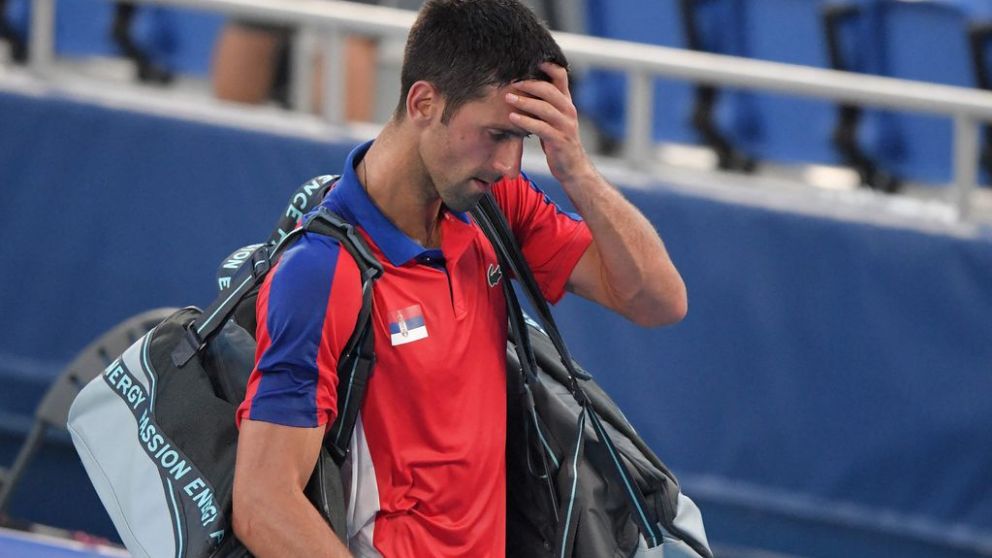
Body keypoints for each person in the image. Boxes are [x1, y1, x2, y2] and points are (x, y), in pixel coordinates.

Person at [231, 1, 688, 556]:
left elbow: (657, 301)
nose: (508, 164)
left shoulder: (495, 207)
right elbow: (264, 504)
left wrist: (576, 168)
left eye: (521, 140)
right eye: (496, 134)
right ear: (424, 102)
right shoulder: (321, 273)